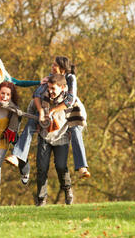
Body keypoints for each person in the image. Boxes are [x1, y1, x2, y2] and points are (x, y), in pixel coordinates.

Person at [5, 56, 91, 184]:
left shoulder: (70, 78)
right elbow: (36, 95)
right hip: (48, 108)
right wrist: (40, 112)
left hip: (70, 111)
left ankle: (82, 167)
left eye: (54, 65)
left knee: (76, 131)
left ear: (62, 69)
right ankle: (17, 156)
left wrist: (52, 111)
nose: (51, 66)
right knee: (30, 125)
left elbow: (70, 100)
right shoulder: (50, 78)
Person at [30, 73, 85, 206]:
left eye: (53, 88)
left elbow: (80, 118)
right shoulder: (43, 98)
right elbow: (31, 109)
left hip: (62, 138)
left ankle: (67, 189)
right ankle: (41, 198)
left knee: (61, 166)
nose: (50, 91)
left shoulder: (70, 102)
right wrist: (38, 118)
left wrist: (76, 132)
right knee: (42, 168)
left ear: (62, 87)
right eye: (49, 88)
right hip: (45, 137)